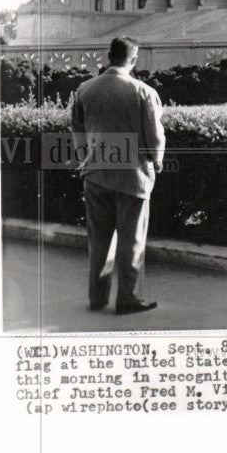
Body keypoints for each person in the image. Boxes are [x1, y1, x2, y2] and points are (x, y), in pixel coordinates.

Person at [71, 36, 166, 314]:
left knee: (99, 238)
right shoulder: (143, 91)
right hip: (132, 176)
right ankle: (129, 298)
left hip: (95, 174)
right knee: (131, 239)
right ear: (133, 60)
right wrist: (157, 162)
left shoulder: (84, 89)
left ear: (108, 57)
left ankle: (97, 297)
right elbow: (155, 136)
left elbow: (77, 130)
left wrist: (83, 159)